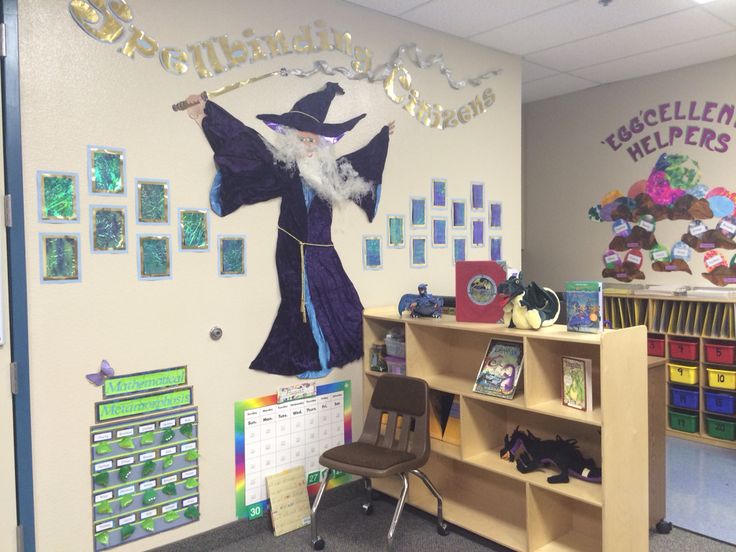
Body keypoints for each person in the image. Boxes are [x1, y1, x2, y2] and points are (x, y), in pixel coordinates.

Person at [185, 82, 394, 378]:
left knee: (338, 295)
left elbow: (359, 163)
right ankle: (307, 359)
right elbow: (244, 142)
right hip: (292, 248)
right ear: (293, 140)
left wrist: (382, 138)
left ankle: (333, 353)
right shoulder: (284, 170)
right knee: (299, 301)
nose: (308, 146)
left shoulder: (330, 175)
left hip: (323, 249)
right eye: (303, 140)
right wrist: (206, 114)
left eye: (313, 141)